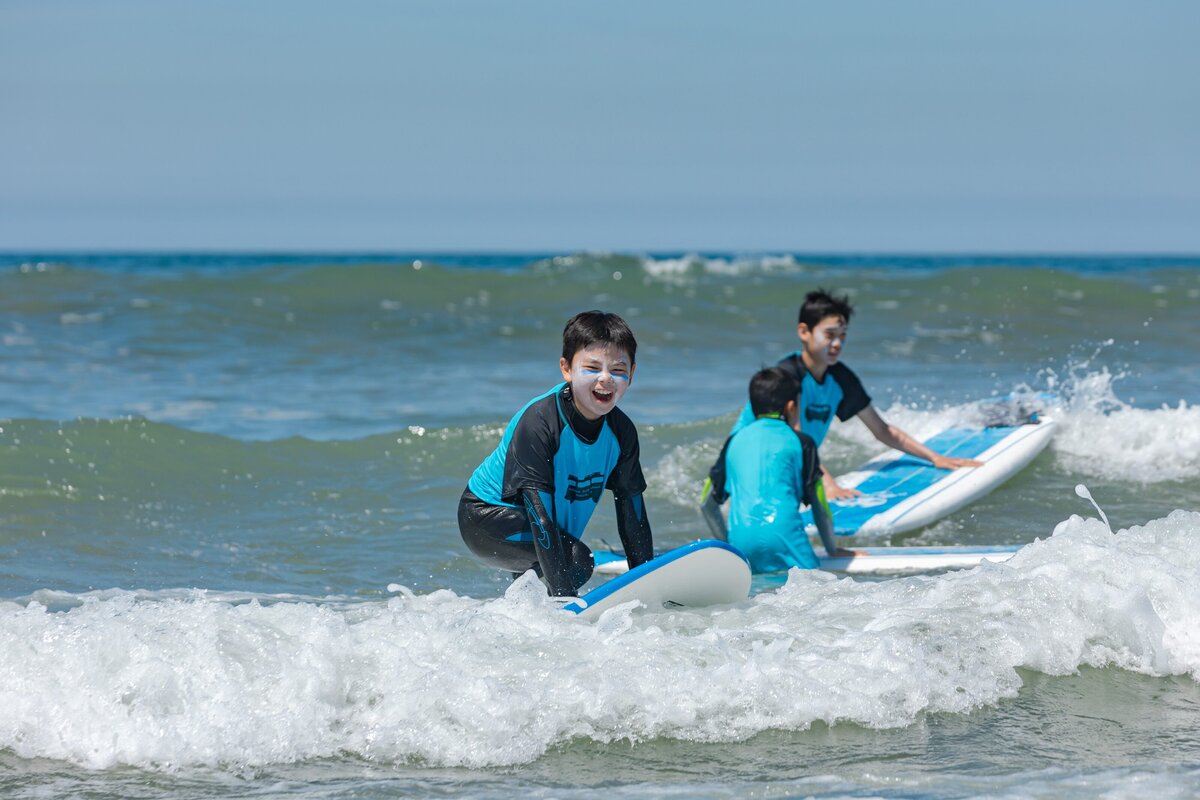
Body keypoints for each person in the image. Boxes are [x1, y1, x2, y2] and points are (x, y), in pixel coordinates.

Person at [701, 288, 981, 538]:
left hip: (787, 464)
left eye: (843, 336)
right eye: (830, 335)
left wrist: (935, 457)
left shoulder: (840, 379)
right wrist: (828, 484)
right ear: (804, 332)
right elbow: (795, 441)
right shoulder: (786, 378)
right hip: (751, 465)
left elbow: (882, 430)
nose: (837, 344)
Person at [457, 310, 654, 597]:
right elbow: (540, 516)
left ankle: (523, 614)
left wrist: (648, 588)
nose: (606, 379)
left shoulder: (622, 433)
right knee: (576, 561)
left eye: (618, 370)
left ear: (632, 374)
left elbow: (633, 518)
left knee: (556, 567)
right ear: (566, 369)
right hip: (485, 517)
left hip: (541, 522)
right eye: (592, 367)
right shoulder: (540, 422)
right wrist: (565, 602)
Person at [722, 367, 853, 572]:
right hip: (784, 537)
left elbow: (706, 504)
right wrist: (832, 548)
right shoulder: (802, 442)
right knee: (816, 589)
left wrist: (727, 546)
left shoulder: (733, 441)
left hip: (740, 544)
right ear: (791, 407)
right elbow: (820, 504)